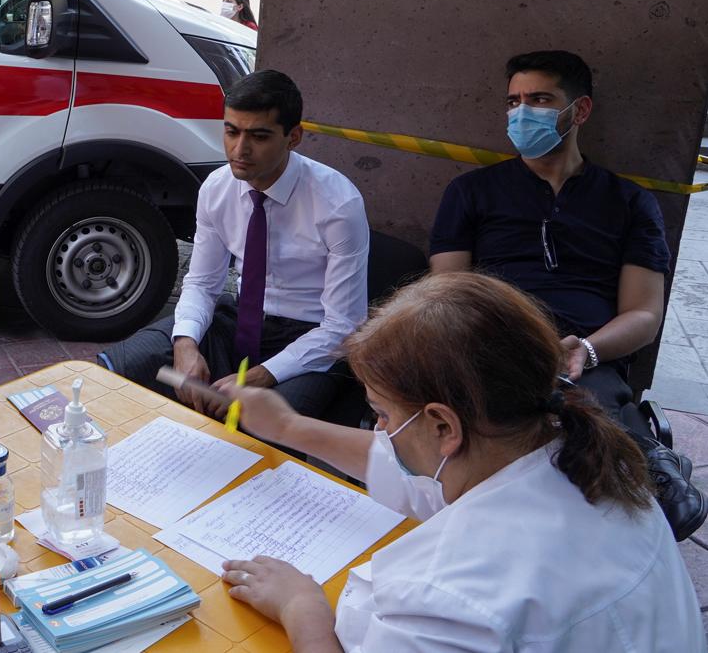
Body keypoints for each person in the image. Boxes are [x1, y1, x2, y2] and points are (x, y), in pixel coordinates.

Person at [216, 272, 704, 653]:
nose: (380, 432)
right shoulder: (575, 452)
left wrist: (304, 610)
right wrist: (288, 428)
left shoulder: (448, 598)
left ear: (444, 427)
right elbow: (416, 471)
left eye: (382, 414)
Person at [429, 49, 705, 540]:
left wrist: (587, 348)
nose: (521, 112)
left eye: (538, 99)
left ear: (579, 111)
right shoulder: (471, 193)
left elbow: (643, 312)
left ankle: (645, 467)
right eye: (513, 101)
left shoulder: (628, 202)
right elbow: (447, 291)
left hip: (586, 359)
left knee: (610, 474)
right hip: (493, 345)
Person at [100, 70, 370, 424]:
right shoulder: (217, 188)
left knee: (264, 426)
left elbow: (342, 326)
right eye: (231, 131)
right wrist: (185, 344)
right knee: (120, 366)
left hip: (311, 339)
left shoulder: (337, 204)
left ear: (294, 137)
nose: (240, 149)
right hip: (240, 321)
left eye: (258, 136)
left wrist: (257, 378)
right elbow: (202, 284)